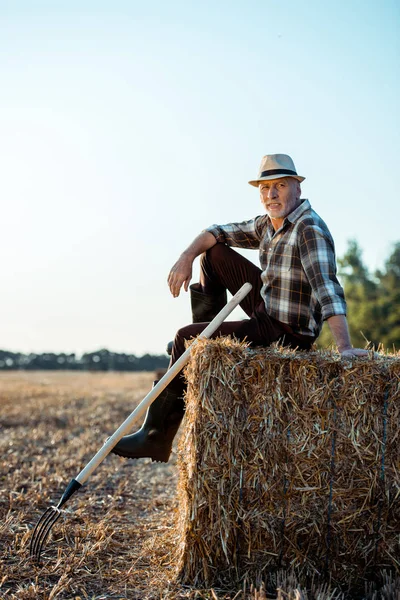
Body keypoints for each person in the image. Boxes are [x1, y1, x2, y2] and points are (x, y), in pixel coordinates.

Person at [111, 153, 368, 462]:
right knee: (213, 255)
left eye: (280, 186)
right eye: (265, 188)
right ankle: (206, 351)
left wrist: (345, 347)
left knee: (184, 337)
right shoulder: (268, 225)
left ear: (297, 188)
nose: (271, 195)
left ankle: (156, 437)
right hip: (268, 307)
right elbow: (217, 231)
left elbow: (328, 287)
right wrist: (186, 257)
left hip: (287, 331)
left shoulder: (308, 229)